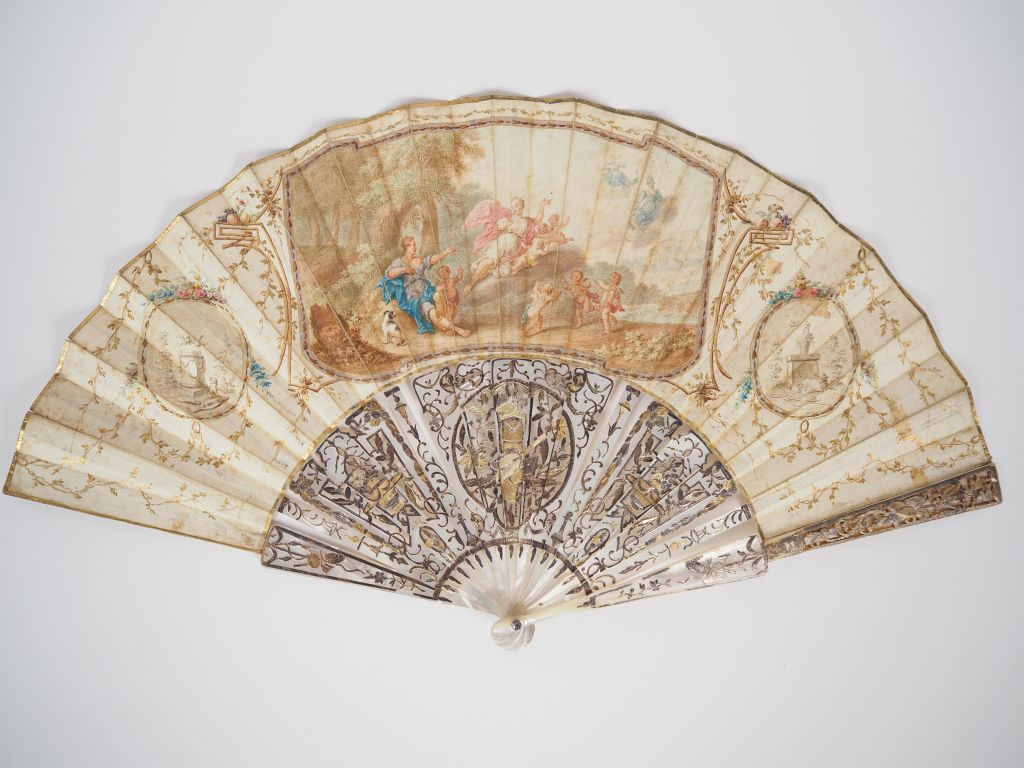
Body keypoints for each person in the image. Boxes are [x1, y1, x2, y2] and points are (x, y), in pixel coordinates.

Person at [376, 236, 471, 337]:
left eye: (415, 245)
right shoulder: (399, 262)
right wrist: (403, 269)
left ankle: (444, 326)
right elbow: (389, 274)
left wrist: (446, 252)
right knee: (433, 313)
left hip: (427, 290)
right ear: (406, 247)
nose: (415, 247)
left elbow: (432, 260)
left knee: (439, 297)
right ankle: (457, 329)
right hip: (416, 296)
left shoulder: (419, 260)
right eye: (412, 245)